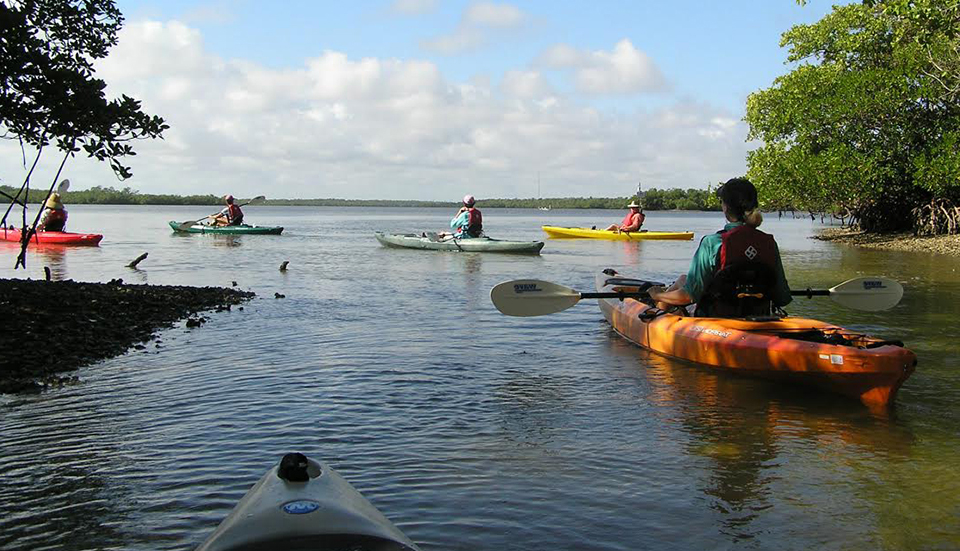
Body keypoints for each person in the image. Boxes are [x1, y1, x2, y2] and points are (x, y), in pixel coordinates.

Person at [648, 177, 791, 317]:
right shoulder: (769, 243)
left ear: (725, 207)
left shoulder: (712, 243)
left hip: (716, 321)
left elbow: (689, 296)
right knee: (683, 280)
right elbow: (782, 297)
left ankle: (656, 316)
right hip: (759, 318)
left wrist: (658, 294)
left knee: (680, 290)